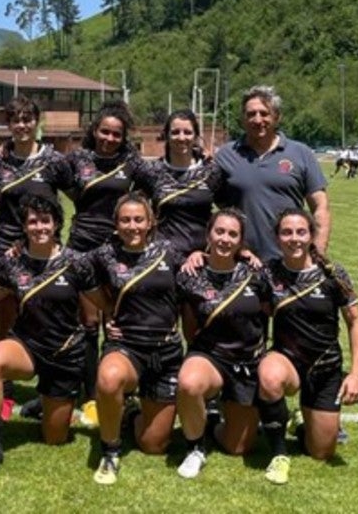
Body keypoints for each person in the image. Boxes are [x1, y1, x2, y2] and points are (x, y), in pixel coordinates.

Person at [0, 194, 99, 476]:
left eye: (45, 221)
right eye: (33, 221)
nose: (39, 227)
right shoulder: (13, 263)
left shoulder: (77, 263)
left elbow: (98, 309)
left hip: (65, 353)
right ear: (24, 226)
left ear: (56, 224)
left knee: (54, 439)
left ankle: (44, 401)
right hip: (27, 346)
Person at [256, 208, 358, 485]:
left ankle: (301, 423)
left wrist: (356, 372)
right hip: (287, 362)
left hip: (325, 367)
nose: (294, 238)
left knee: (321, 452)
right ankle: (279, 452)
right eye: (287, 232)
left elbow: (354, 322)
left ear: (311, 236)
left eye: (301, 232)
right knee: (269, 376)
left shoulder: (332, 273)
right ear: (277, 238)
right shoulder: (269, 273)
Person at [62, 100, 153, 425]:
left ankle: (121, 391)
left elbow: (159, 185)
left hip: (119, 253)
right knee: (87, 325)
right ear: (94, 130)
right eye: (105, 131)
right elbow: (46, 178)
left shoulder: (133, 163)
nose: (109, 138)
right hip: (83, 250)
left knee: (116, 324)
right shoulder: (77, 159)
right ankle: (89, 397)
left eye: (116, 134)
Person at [89, 193, 186, 485]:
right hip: (126, 347)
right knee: (108, 379)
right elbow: (76, 273)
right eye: (125, 220)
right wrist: (106, 310)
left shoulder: (170, 251)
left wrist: (244, 253)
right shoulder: (104, 254)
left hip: (166, 352)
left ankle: (130, 413)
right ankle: (110, 449)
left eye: (138, 220)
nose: (132, 226)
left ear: (150, 221)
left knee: (154, 446)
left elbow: (205, 268)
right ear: (116, 224)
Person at [0, 96, 73, 419]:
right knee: (6, 321)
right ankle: (4, 391)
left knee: (48, 322)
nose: (21, 125)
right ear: (8, 124)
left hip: (46, 253)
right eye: (15, 120)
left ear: (36, 122)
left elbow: (76, 195)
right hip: (8, 253)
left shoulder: (54, 161)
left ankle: (48, 390)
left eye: (27, 119)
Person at [173, 208, 272, 480]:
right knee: (189, 382)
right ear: (208, 234)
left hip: (247, 362)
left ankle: (214, 421)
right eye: (219, 231)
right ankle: (195, 447)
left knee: (237, 447)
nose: (225, 239)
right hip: (211, 356)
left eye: (232, 234)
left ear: (241, 241)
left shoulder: (256, 273)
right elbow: (188, 323)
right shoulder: (190, 273)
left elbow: (266, 314)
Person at [214, 86, 330, 260]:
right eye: (251, 114)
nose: (257, 119)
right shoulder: (225, 155)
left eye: (264, 113)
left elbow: (321, 207)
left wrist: (318, 253)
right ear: (243, 119)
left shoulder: (301, 153)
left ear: (277, 117)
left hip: (290, 261)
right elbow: (216, 204)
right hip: (242, 262)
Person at [146, 110, 221, 257]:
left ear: (196, 136)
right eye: (175, 132)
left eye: (187, 132)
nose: (181, 138)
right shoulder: (152, 171)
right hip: (164, 257)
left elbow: (226, 211)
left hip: (202, 256)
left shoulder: (211, 171)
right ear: (166, 135)